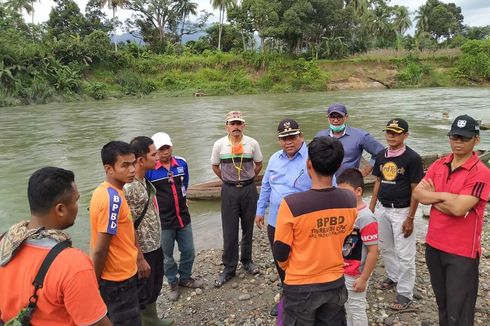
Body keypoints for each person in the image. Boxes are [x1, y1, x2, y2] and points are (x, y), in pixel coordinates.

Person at [0, 167, 111, 326]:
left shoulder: (5, 243)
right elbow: (97, 323)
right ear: (60, 209)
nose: (77, 207)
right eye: (76, 200)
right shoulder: (73, 264)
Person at [413, 115, 490, 326]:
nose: (458, 142)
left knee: (460, 310)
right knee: (443, 303)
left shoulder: (480, 173)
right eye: (454, 136)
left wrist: (435, 196)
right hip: (434, 245)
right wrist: (447, 197)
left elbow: (458, 209)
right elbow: (418, 194)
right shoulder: (440, 163)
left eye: (464, 138)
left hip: (461, 253)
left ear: (476, 140)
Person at [273, 136, 357, 325]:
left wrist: (289, 267)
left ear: (309, 164)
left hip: (300, 285)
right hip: (334, 282)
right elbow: (345, 238)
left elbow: (280, 250)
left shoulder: (292, 204)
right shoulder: (350, 201)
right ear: (339, 165)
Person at [255, 118, 311, 316]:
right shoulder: (275, 158)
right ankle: (288, 292)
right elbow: (267, 187)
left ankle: (306, 294)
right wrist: (260, 210)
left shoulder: (313, 158)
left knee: (303, 258)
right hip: (276, 221)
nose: (288, 141)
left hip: (303, 223)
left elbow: (329, 185)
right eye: (284, 138)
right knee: (281, 258)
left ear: (301, 136)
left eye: (292, 137)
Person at [369, 119, 424, 311]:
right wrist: (372, 207)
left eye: (396, 133)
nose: (390, 136)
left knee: (405, 254)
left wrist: (410, 218)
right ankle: (393, 277)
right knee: (386, 247)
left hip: (402, 210)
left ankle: (405, 293)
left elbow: (415, 189)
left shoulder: (413, 158)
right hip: (383, 209)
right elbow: (377, 181)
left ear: (405, 135)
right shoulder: (381, 156)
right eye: (388, 132)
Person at [123, 136, 174, 326]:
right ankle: (146, 322)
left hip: (153, 244)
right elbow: (127, 225)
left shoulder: (143, 182)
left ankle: (152, 319)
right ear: (141, 160)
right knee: (143, 289)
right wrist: (139, 257)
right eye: (153, 154)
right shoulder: (131, 188)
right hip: (143, 250)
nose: (157, 158)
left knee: (154, 285)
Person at [89, 141, 141, 325]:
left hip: (120, 275)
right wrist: (93, 283)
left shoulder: (103, 191)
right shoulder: (112, 200)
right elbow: (101, 248)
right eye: (125, 165)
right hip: (118, 280)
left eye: (133, 163)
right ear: (109, 169)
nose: (132, 169)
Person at [146, 132, 202, 302]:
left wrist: (183, 200)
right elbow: (147, 194)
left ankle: (185, 277)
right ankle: (172, 282)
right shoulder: (150, 170)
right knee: (167, 256)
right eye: (161, 149)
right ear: (156, 151)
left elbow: (184, 185)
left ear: (171, 146)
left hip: (183, 217)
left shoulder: (182, 163)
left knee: (189, 251)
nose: (165, 152)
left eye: (167, 147)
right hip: (163, 221)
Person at [211, 111, 263, 287]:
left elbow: (259, 165)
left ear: (244, 126)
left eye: (239, 123)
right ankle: (229, 267)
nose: (236, 127)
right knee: (230, 229)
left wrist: (248, 178)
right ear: (226, 126)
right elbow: (215, 166)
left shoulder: (252, 143)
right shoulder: (219, 145)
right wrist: (227, 179)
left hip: (249, 189)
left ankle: (247, 260)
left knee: (248, 227)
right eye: (232, 124)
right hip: (229, 190)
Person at [337, 168, 378, 326]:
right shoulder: (346, 211)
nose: (341, 196)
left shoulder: (366, 217)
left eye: (345, 192)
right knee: (345, 305)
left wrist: (364, 278)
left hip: (356, 272)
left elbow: (374, 251)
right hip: (342, 268)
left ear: (359, 191)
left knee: (356, 307)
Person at [315, 103, 384, 177]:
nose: (335, 120)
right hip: (326, 181)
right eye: (332, 117)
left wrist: (367, 169)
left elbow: (381, 152)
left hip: (349, 182)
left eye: (339, 117)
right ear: (328, 118)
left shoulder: (360, 135)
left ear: (346, 117)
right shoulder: (320, 136)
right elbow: (311, 157)